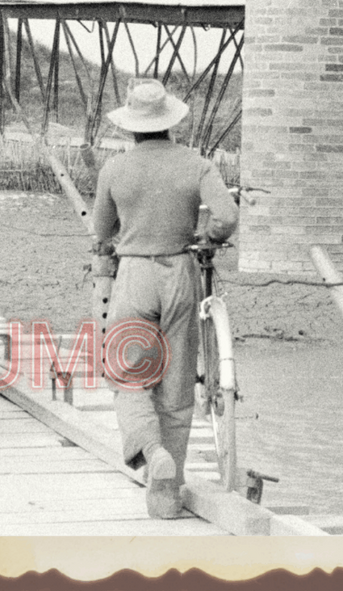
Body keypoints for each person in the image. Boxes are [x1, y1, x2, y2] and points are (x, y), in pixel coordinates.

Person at [92, 79, 239, 519]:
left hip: (134, 274)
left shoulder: (115, 170)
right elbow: (227, 216)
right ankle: (166, 497)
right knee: (176, 387)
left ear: (131, 128)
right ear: (171, 123)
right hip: (181, 272)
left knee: (127, 373)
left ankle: (151, 449)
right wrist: (206, 235)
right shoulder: (196, 164)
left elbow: (101, 233)